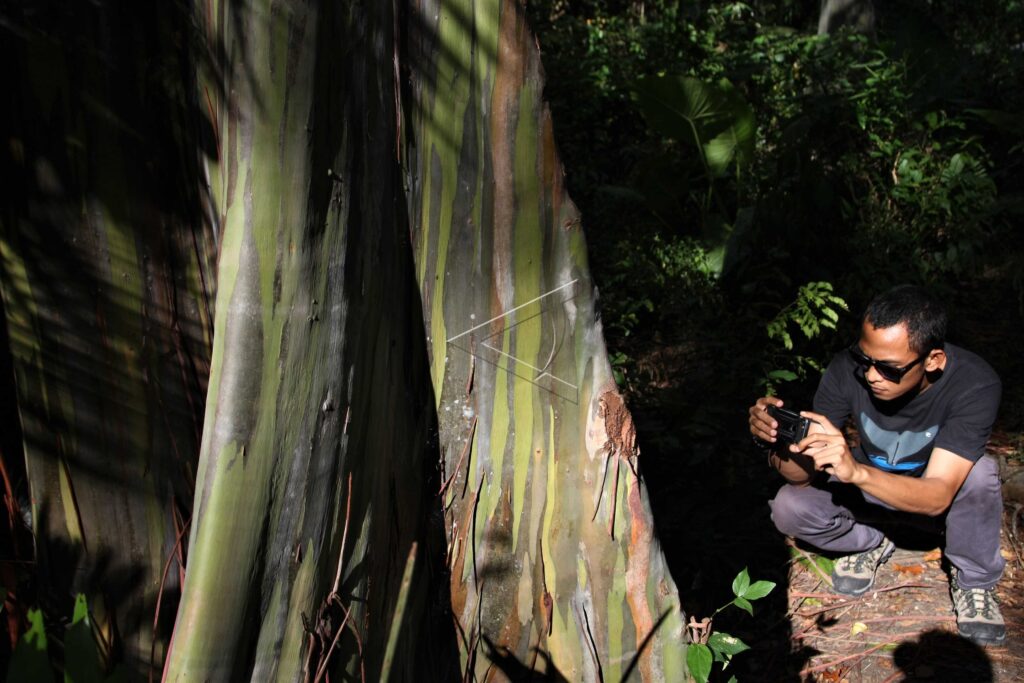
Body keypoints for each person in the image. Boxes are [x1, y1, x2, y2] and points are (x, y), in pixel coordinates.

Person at [749, 284, 1005, 646]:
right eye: (864, 359)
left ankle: (974, 581)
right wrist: (777, 441)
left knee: (981, 473)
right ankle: (871, 543)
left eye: (889, 368)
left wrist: (855, 471)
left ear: (932, 361)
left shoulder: (974, 384)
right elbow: (801, 476)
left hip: (931, 504)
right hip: (869, 500)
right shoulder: (844, 370)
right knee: (789, 506)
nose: (871, 375)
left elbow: (937, 496)